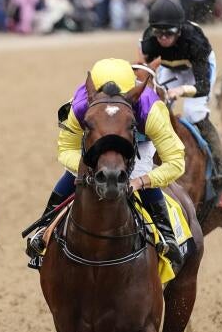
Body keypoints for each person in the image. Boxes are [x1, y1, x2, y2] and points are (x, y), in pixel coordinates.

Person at [26, 58, 186, 268]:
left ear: (132, 94)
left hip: (137, 142)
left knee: (139, 170)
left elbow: (176, 162)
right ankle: (44, 228)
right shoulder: (80, 105)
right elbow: (66, 151)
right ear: (92, 93)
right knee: (72, 174)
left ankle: (167, 236)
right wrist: (88, 170)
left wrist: (139, 182)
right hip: (96, 140)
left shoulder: (150, 108)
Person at [141, 0, 222, 209]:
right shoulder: (149, 39)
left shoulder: (196, 41)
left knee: (194, 112)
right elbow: (144, 69)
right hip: (170, 67)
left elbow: (203, 86)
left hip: (197, 71)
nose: (163, 38)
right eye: (159, 33)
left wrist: (180, 91)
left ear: (180, 29)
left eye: (169, 33)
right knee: (154, 108)